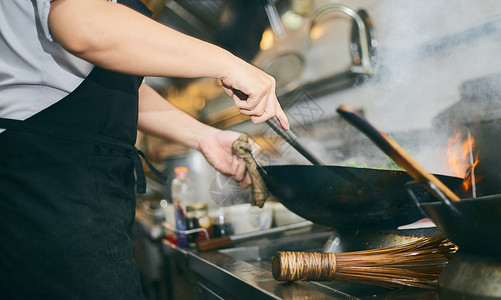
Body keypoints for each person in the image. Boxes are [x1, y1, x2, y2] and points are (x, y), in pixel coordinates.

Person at [0, 0, 290, 298]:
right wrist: (229, 63)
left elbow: (115, 88)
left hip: (59, 183)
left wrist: (204, 136)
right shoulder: (86, 17)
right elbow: (82, 24)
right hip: (50, 183)